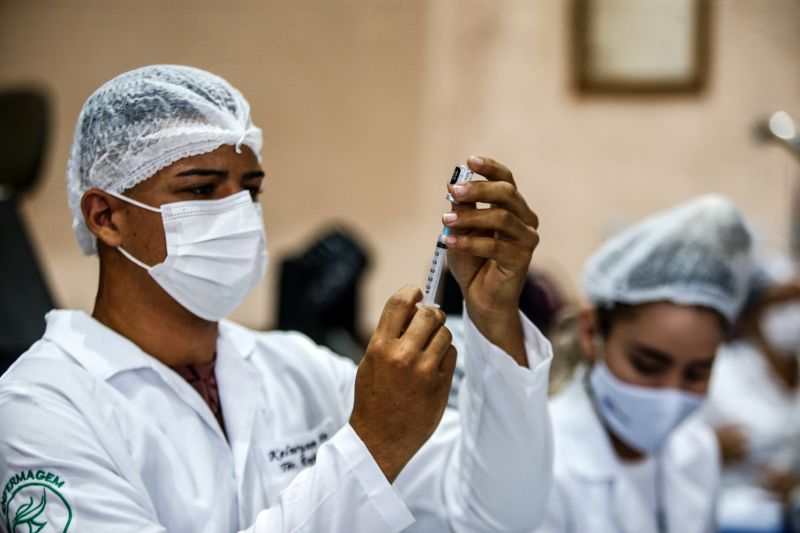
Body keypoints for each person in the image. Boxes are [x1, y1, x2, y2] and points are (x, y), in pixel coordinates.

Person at [0, 65, 553, 532]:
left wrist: (493, 317)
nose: (239, 211)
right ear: (106, 216)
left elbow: (495, 515)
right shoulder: (40, 406)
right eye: (201, 188)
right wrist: (373, 444)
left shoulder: (294, 369)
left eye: (250, 188)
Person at [536, 195, 754, 533]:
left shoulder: (698, 450)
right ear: (592, 332)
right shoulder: (539, 460)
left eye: (697, 372)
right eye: (647, 365)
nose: (671, 394)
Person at [702, 254, 800, 532]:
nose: (794, 313)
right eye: (782, 302)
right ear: (751, 314)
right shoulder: (719, 371)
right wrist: (708, 446)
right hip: (732, 513)